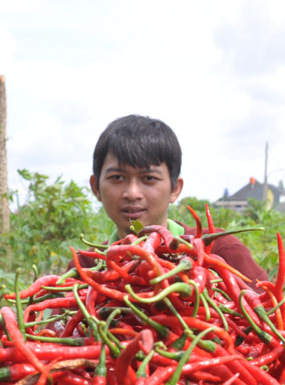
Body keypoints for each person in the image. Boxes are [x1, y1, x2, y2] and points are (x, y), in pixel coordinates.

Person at [84, 114, 268, 284]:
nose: (132, 193)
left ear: (175, 189)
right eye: (117, 177)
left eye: (149, 178)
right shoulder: (86, 264)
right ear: (96, 187)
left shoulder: (221, 252)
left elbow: (268, 315)